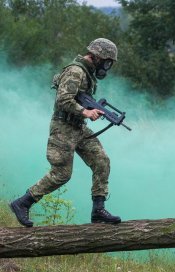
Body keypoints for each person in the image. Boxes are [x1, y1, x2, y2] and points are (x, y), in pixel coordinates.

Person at [9, 38, 121, 227]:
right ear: (97, 56)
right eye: (107, 61)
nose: (107, 66)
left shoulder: (87, 73)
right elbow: (63, 99)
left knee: (102, 161)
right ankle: (22, 202)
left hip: (78, 127)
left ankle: (98, 210)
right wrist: (85, 111)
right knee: (61, 173)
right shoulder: (75, 71)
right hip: (63, 128)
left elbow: (79, 100)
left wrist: (89, 111)